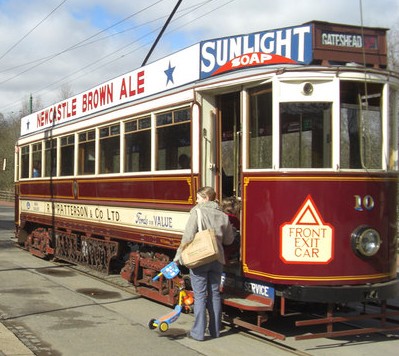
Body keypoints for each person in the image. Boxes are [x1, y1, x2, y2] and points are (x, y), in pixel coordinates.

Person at [174, 186, 234, 341]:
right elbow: (229, 240)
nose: (196, 200)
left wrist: (178, 257)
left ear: (206, 198)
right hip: (217, 258)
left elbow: (187, 237)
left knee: (200, 295)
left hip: (200, 258)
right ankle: (215, 331)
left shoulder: (197, 211)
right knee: (214, 294)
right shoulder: (223, 216)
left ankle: (198, 333)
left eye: (199, 198)